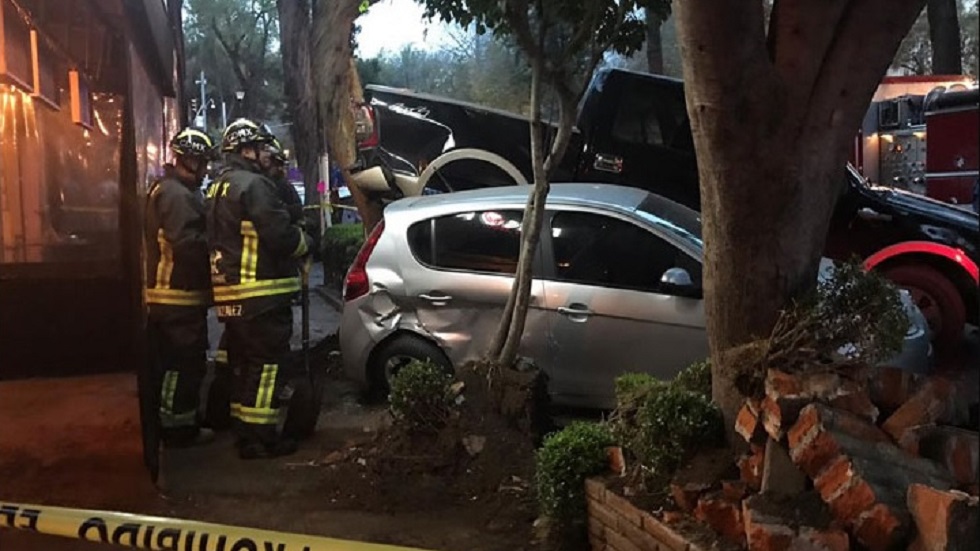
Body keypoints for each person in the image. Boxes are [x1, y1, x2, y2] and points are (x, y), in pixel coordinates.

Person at [207, 118, 313, 459]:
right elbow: (281, 236)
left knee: (244, 367)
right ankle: (262, 438)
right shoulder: (254, 185)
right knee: (267, 367)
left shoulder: (218, 186)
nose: (265, 152)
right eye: (260, 147)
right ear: (246, 150)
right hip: (261, 295)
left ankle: (244, 432)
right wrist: (308, 242)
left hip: (232, 296)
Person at [144, 127, 216, 448]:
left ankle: (178, 422)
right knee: (183, 364)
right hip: (177, 297)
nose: (205, 170)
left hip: (172, 298)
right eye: (202, 163)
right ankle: (177, 429)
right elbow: (188, 245)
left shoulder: (170, 190)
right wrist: (217, 246)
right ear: (189, 160)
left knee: (178, 363)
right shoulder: (176, 196)